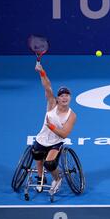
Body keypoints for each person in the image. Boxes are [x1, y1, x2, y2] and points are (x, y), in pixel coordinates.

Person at [32, 63, 77, 194]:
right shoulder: (52, 103)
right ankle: (40, 178)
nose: (64, 97)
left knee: (50, 164)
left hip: (56, 142)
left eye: (67, 95)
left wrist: (51, 127)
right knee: (36, 154)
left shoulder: (72, 115)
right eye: (62, 95)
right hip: (42, 138)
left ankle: (57, 179)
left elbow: (64, 134)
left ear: (70, 98)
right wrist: (42, 72)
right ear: (57, 98)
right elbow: (47, 87)